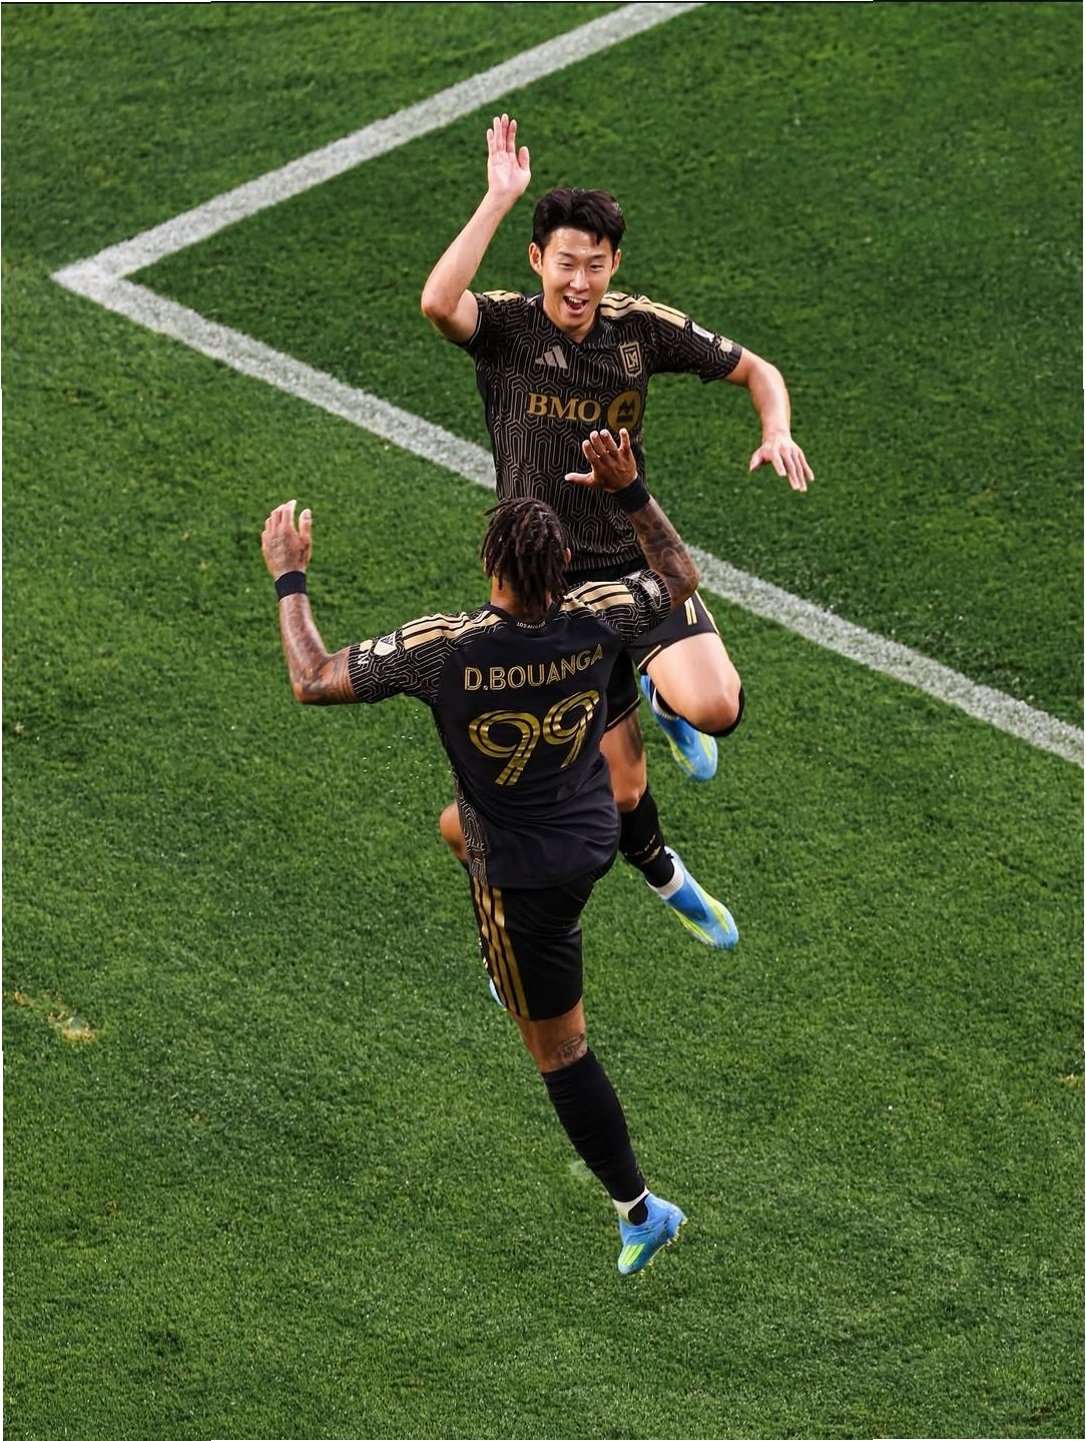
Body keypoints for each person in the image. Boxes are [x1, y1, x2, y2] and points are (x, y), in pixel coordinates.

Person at [261, 427, 696, 1274]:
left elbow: (312, 677)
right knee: (453, 823)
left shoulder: (446, 648)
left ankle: (640, 1211)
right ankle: (520, 966)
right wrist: (630, 490)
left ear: (490, 566)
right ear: (564, 564)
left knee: (559, 1050)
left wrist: (289, 576)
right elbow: (678, 578)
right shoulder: (599, 613)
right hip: (589, 829)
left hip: (525, 878)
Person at [420, 114, 814, 952]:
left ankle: (665, 696)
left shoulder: (638, 328)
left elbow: (758, 369)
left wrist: (775, 427)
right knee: (621, 788)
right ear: (537, 260)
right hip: (550, 591)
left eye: (595, 265)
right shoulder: (508, 329)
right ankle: (667, 874)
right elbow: (437, 303)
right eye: (565, 263)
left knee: (717, 707)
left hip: (637, 561)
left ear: (614, 266)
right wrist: (498, 198)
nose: (579, 282)